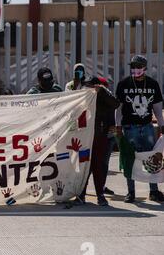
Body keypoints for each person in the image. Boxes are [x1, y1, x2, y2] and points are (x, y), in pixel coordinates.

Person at [115, 55, 164, 203]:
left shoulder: (153, 84)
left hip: (147, 127)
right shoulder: (123, 84)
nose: (135, 69)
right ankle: (131, 192)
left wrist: (162, 126)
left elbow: (157, 108)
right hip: (129, 127)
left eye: (138, 66)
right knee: (129, 159)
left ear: (144, 67)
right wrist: (117, 126)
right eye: (133, 66)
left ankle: (154, 191)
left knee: (151, 157)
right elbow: (119, 108)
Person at [67, 75, 120, 206]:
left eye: (91, 86)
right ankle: (81, 195)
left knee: (99, 167)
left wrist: (101, 91)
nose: (88, 88)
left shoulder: (104, 97)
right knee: (84, 166)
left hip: (101, 138)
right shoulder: (84, 99)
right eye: (87, 86)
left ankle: (100, 195)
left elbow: (116, 103)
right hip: (85, 140)